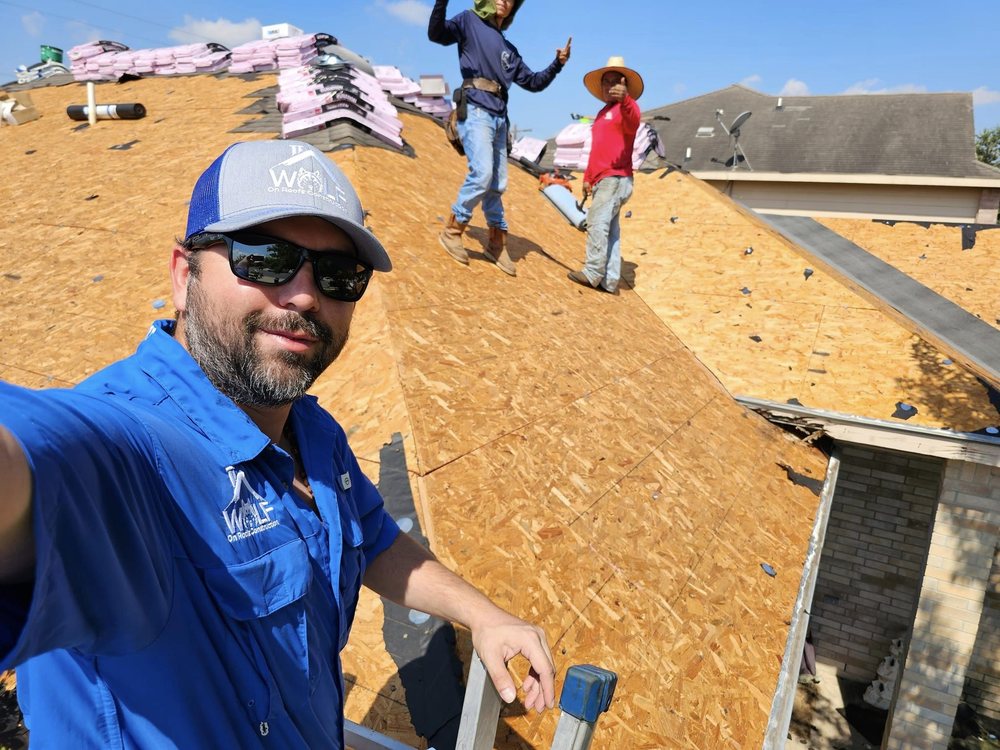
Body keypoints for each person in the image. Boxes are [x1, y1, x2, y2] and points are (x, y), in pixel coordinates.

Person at [0, 139, 555, 748]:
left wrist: (482, 613)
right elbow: (37, 460)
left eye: (340, 274)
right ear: (184, 275)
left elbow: (370, 540)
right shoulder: (130, 446)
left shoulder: (312, 434)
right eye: (263, 259)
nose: (304, 297)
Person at [429, 0, 571, 276]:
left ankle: (496, 243)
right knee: (481, 174)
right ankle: (453, 230)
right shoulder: (469, 21)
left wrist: (557, 64)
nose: (505, 0)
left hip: (499, 117)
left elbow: (533, 82)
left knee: (497, 184)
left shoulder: (509, 50)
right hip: (476, 108)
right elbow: (437, 34)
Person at [567, 56, 643, 295]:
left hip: (615, 178)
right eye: (606, 81)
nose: (611, 85)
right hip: (603, 179)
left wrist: (626, 100)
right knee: (611, 229)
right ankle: (609, 280)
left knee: (597, 224)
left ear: (625, 85)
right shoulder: (602, 113)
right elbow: (597, 148)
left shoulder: (626, 109)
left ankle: (592, 273)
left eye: (616, 81)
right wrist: (588, 178)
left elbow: (635, 118)